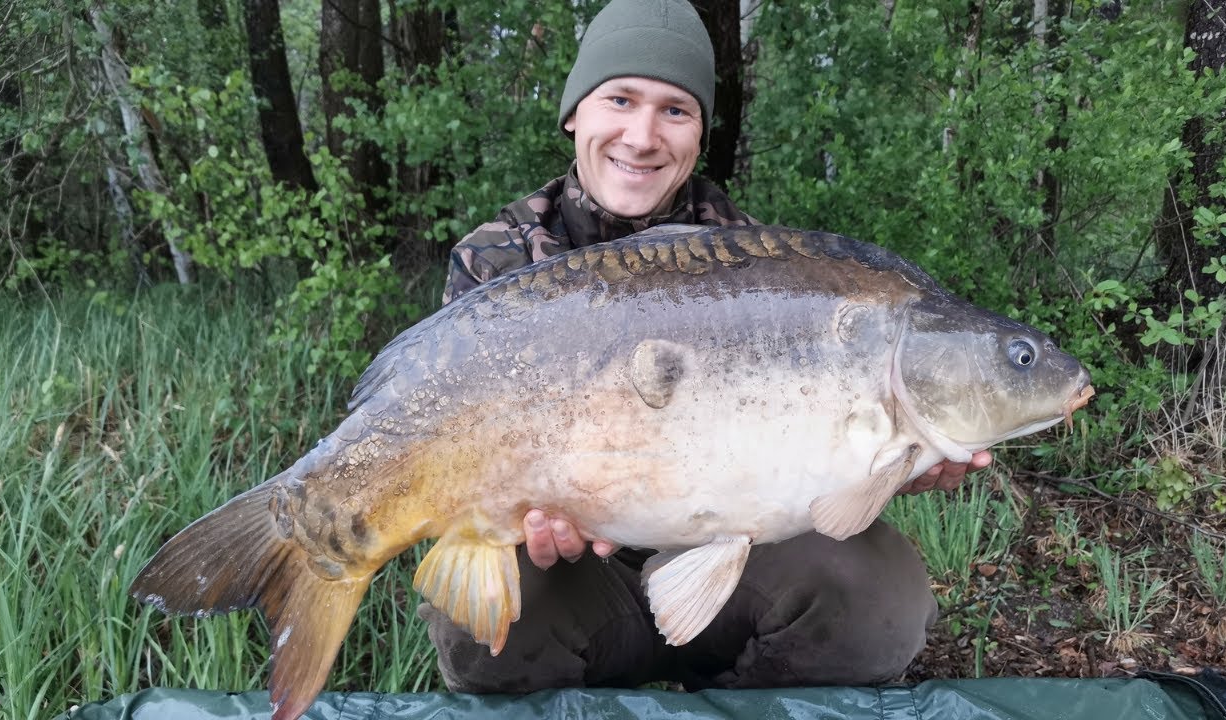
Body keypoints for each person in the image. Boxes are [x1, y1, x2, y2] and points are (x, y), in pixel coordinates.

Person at [420, 0, 991, 694]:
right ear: (575, 112)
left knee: (878, 596)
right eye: (620, 99)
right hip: (579, 582)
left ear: (699, 133)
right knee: (483, 618)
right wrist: (510, 515)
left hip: (735, 566)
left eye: (675, 111)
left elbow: (815, 470)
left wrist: (895, 461)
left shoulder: (761, 265)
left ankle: (736, 701)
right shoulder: (498, 260)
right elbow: (446, 453)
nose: (642, 135)